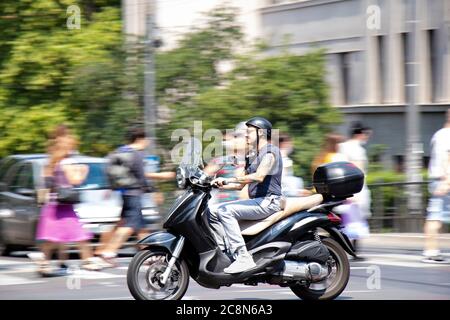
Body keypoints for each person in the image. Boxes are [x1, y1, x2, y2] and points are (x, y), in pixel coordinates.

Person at [209, 117, 284, 274]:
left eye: (249, 132)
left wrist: (229, 179)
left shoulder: (270, 152)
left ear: (261, 133)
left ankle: (243, 257)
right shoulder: (252, 155)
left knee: (225, 211)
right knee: (212, 211)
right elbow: (240, 185)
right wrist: (216, 183)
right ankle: (226, 252)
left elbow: (259, 176)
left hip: (269, 201)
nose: (246, 136)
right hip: (258, 201)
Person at [95, 127, 174, 266]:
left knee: (139, 226)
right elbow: (141, 177)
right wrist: (154, 188)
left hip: (125, 193)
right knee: (129, 226)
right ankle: (108, 253)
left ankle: (149, 255)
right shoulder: (137, 154)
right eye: (146, 139)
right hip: (134, 194)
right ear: (140, 139)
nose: (147, 142)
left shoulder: (121, 151)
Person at [31, 125, 101, 276]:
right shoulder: (67, 162)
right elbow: (75, 181)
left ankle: (44, 263)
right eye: (72, 145)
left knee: (53, 238)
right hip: (62, 207)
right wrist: (83, 170)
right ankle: (88, 261)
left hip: (54, 205)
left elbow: (48, 183)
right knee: (79, 235)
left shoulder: (52, 162)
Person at [338, 122, 372, 255]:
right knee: (355, 219)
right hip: (357, 188)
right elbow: (359, 169)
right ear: (360, 134)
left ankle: (347, 248)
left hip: (343, 186)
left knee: (346, 219)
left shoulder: (342, 146)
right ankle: (352, 249)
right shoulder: (357, 149)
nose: (367, 137)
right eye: (366, 134)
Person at [423, 109, 450, 263]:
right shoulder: (447, 136)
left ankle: (431, 251)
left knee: (435, 217)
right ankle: (431, 252)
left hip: (437, 180)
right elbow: (448, 158)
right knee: (435, 217)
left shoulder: (439, 135)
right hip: (444, 181)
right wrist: (447, 182)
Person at [204, 122, 247, 205]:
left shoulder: (255, 160)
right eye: (235, 136)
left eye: (239, 136)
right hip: (223, 206)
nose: (235, 139)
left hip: (243, 207)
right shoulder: (222, 160)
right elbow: (204, 174)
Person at [279, 133, 311, 197]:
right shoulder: (282, 159)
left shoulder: (283, 158)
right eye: (290, 143)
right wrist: (298, 192)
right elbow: (281, 181)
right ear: (283, 144)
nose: (292, 146)